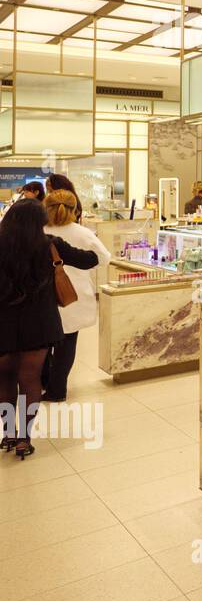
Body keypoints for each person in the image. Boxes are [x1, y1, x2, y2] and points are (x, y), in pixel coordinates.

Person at [0, 199, 100, 457]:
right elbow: (91, 260)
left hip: (4, 321)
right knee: (30, 379)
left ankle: (9, 432)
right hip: (39, 322)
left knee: (5, 378)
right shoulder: (49, 244)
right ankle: (24, 438)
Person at [41, 191, 110, 404]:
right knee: (67, 343)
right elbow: (104, 258)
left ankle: (45, 382)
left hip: (44, 296)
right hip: (74, 295)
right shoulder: (82, 232)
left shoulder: (39, 231)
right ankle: (57, 389)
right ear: (74, 209)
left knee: (43, 344)